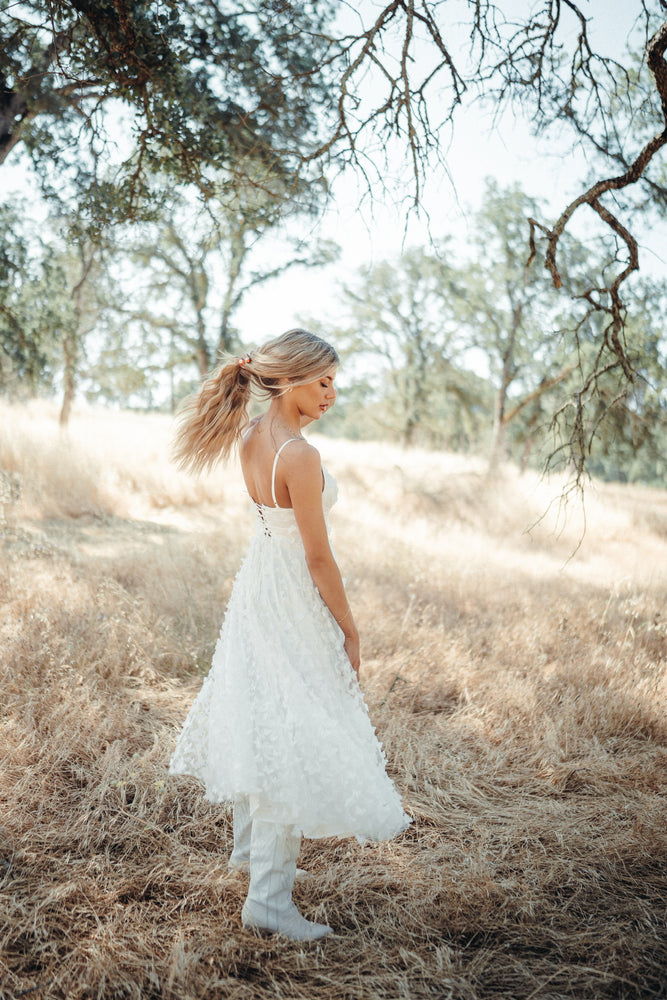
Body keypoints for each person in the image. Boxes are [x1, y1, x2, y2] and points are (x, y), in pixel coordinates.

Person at [168, 328, 410, 941]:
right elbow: (318, 558)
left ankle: (251, 856)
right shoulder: (299, 457)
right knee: (289, 730)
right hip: (289, 595)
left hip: (258, 588)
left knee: (264, 714)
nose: (331, 394)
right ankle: (268, 901)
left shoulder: (253, 434)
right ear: (291, 379)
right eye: (322, 381)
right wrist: (350, 629)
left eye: (335, 383)